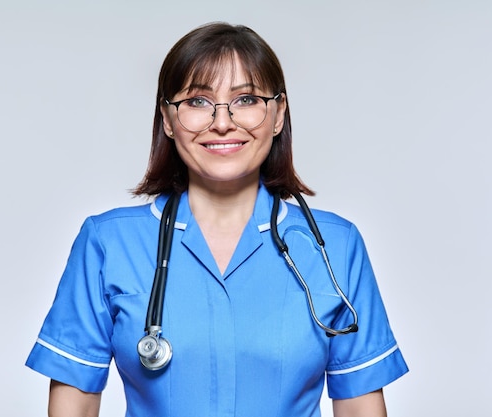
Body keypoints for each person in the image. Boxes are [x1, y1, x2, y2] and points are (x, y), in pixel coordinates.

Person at [26, 22, 408, 417]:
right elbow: (76, 404)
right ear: (168, 119)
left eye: (246, 100)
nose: (222, 122)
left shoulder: (336, 246)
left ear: (277, 115)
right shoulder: (108, 243)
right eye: (197, 102)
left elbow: (360, 406)